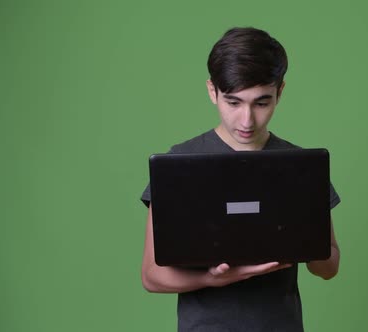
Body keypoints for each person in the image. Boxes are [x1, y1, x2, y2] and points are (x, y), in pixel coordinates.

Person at [140, 27, 341, 332]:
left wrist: (304, 236)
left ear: (280, 92)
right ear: (213, 91)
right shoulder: (178, 164)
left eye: (261, 103)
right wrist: (211, 278)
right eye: (234, 103)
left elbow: (329, 266)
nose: (247, 120)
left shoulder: (300, 166)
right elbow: (151, 275)